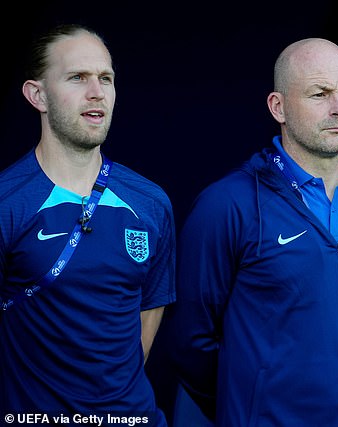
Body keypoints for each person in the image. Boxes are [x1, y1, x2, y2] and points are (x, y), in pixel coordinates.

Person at [166, 37, 338, 427]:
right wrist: (253, 404)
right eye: (320, 93)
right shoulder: (228, 204)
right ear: (278, 106)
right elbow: (190, 342)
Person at [0, 24, 175, 426]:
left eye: (106, 78)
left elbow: (148, 312)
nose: (97, 91)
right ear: (37, 95)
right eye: (77, 77)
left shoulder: (151, 202)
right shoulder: (8, 203)